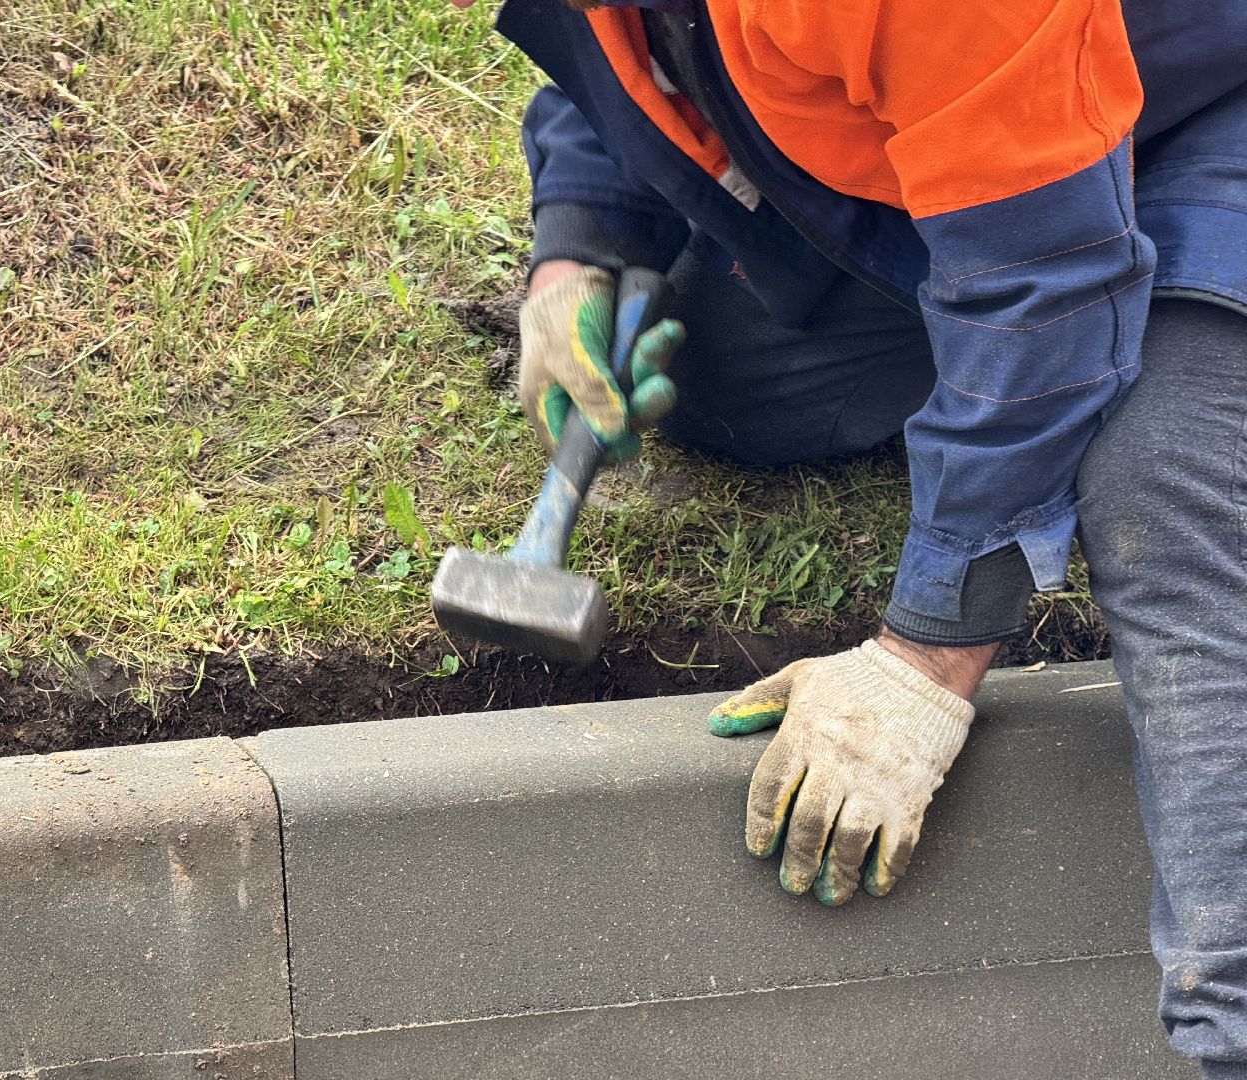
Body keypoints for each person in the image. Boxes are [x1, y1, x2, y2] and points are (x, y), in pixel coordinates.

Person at [447, 0, 1247, 1074]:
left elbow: (1048, 280)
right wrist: (578, 249)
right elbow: (638, 50)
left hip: (1207, 118)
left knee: (1155, 490)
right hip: (1012, 154)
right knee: (719, 376)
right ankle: (1088, 347)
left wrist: (926, 657)